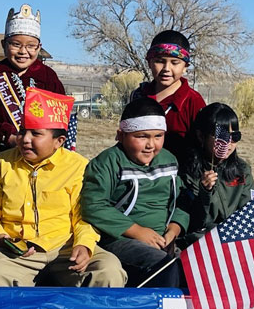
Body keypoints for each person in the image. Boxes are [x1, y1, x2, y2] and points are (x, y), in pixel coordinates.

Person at [0, 88, 126, 287]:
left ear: (59, 142)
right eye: (22, 131)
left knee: (108, 270)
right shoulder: (4, 163)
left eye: (36, 134)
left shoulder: (77, 166)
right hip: (17, 250)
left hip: (66, 247)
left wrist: (84, 245)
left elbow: (84, 216)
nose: (25, 139)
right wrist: (0, 237)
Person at [0, 4, 66, 246]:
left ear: (39, 48)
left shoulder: (49, 77)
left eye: (31, 46)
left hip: (40, 159)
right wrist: (11, 138)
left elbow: (60, 118)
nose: (23, 52)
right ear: (4, 45)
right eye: (16, 44)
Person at [81, 97, 189, 287]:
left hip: (164, 238)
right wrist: (138, 231)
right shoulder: (107, 163)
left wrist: (174, 229)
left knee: (195, 267)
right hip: (120, 239)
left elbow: (179, 201)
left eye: (158, 136)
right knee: (164, 266)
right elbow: (93, 205)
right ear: (121, 135)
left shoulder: (169, 160)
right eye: (142, 137)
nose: (151, 145)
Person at [178, 103, 254, 248]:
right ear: (201, 136)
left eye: (235, 136)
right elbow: (193, 222)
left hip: (235, 239)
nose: (228, 143)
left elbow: (248, 212)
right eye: (222, 137)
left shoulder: (242, 170)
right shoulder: (187, 172)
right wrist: (204, 193)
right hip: (200, 242)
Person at [131, 30, 206, 162]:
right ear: (149, 62)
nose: (166, 68)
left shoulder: (193, 101)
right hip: (139, 175)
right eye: (160, 61)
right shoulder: (139, 96)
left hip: (179, 177)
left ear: (185, 67)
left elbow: (204, 146)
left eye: (174, 63)